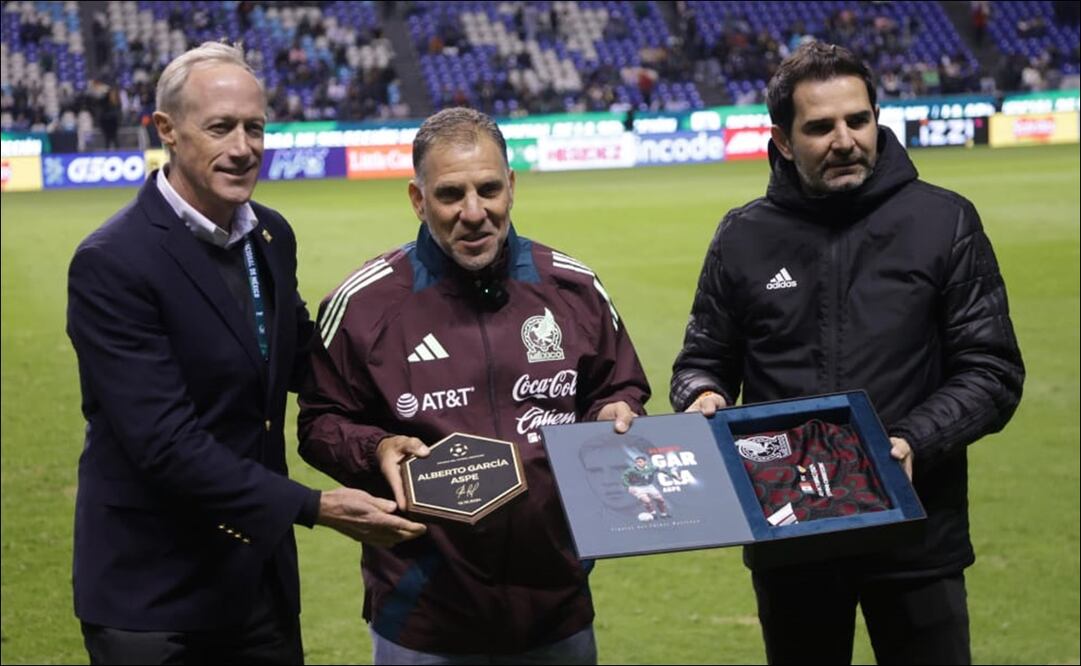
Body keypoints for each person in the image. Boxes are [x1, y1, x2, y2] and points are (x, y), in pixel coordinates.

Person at [66, 42, 425, 665]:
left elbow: (302, 360)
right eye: (220, 127)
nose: (242, 147)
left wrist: (394, 426)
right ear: (168, 132)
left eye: (254, 127)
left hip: (257, 582)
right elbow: (164, 442)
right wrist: (313, 506)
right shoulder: (112, 262)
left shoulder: (269, 234)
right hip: (153, 594)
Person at [670, 41, 1024, 665]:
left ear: (876, 118)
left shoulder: (943, 222)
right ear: (780, 139)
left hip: (915, 537)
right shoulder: (743, 235)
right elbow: (703, 357)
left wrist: (913, 440)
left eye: (857, 121)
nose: (844, 140)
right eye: (819, 127)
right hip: (789, 534)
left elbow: (992, 370)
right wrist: (702, 395)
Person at [298, 107, 651, 664]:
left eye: (489, 189)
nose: (473, 213)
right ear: (418, 200)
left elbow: (619, 386)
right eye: (449, 194)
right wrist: (377, 447)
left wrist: (615, 411)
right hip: (424, 613)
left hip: (556, 604)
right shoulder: (364, 305)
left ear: (511, 187)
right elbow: (320, 422)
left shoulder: (575, 289)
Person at [623, 455, 670, 520]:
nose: (638, 463)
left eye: (640, 462)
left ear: (645, 462)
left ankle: (663, 514)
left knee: (660, 500)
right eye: (637, 462)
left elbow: (663, 471)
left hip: (649, 486)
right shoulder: (631, 470)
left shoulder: (651, 468)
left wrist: (675, 476)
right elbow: (624, 478)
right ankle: (652, 513)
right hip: (638, 487)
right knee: (647, 501)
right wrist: (629, 486)